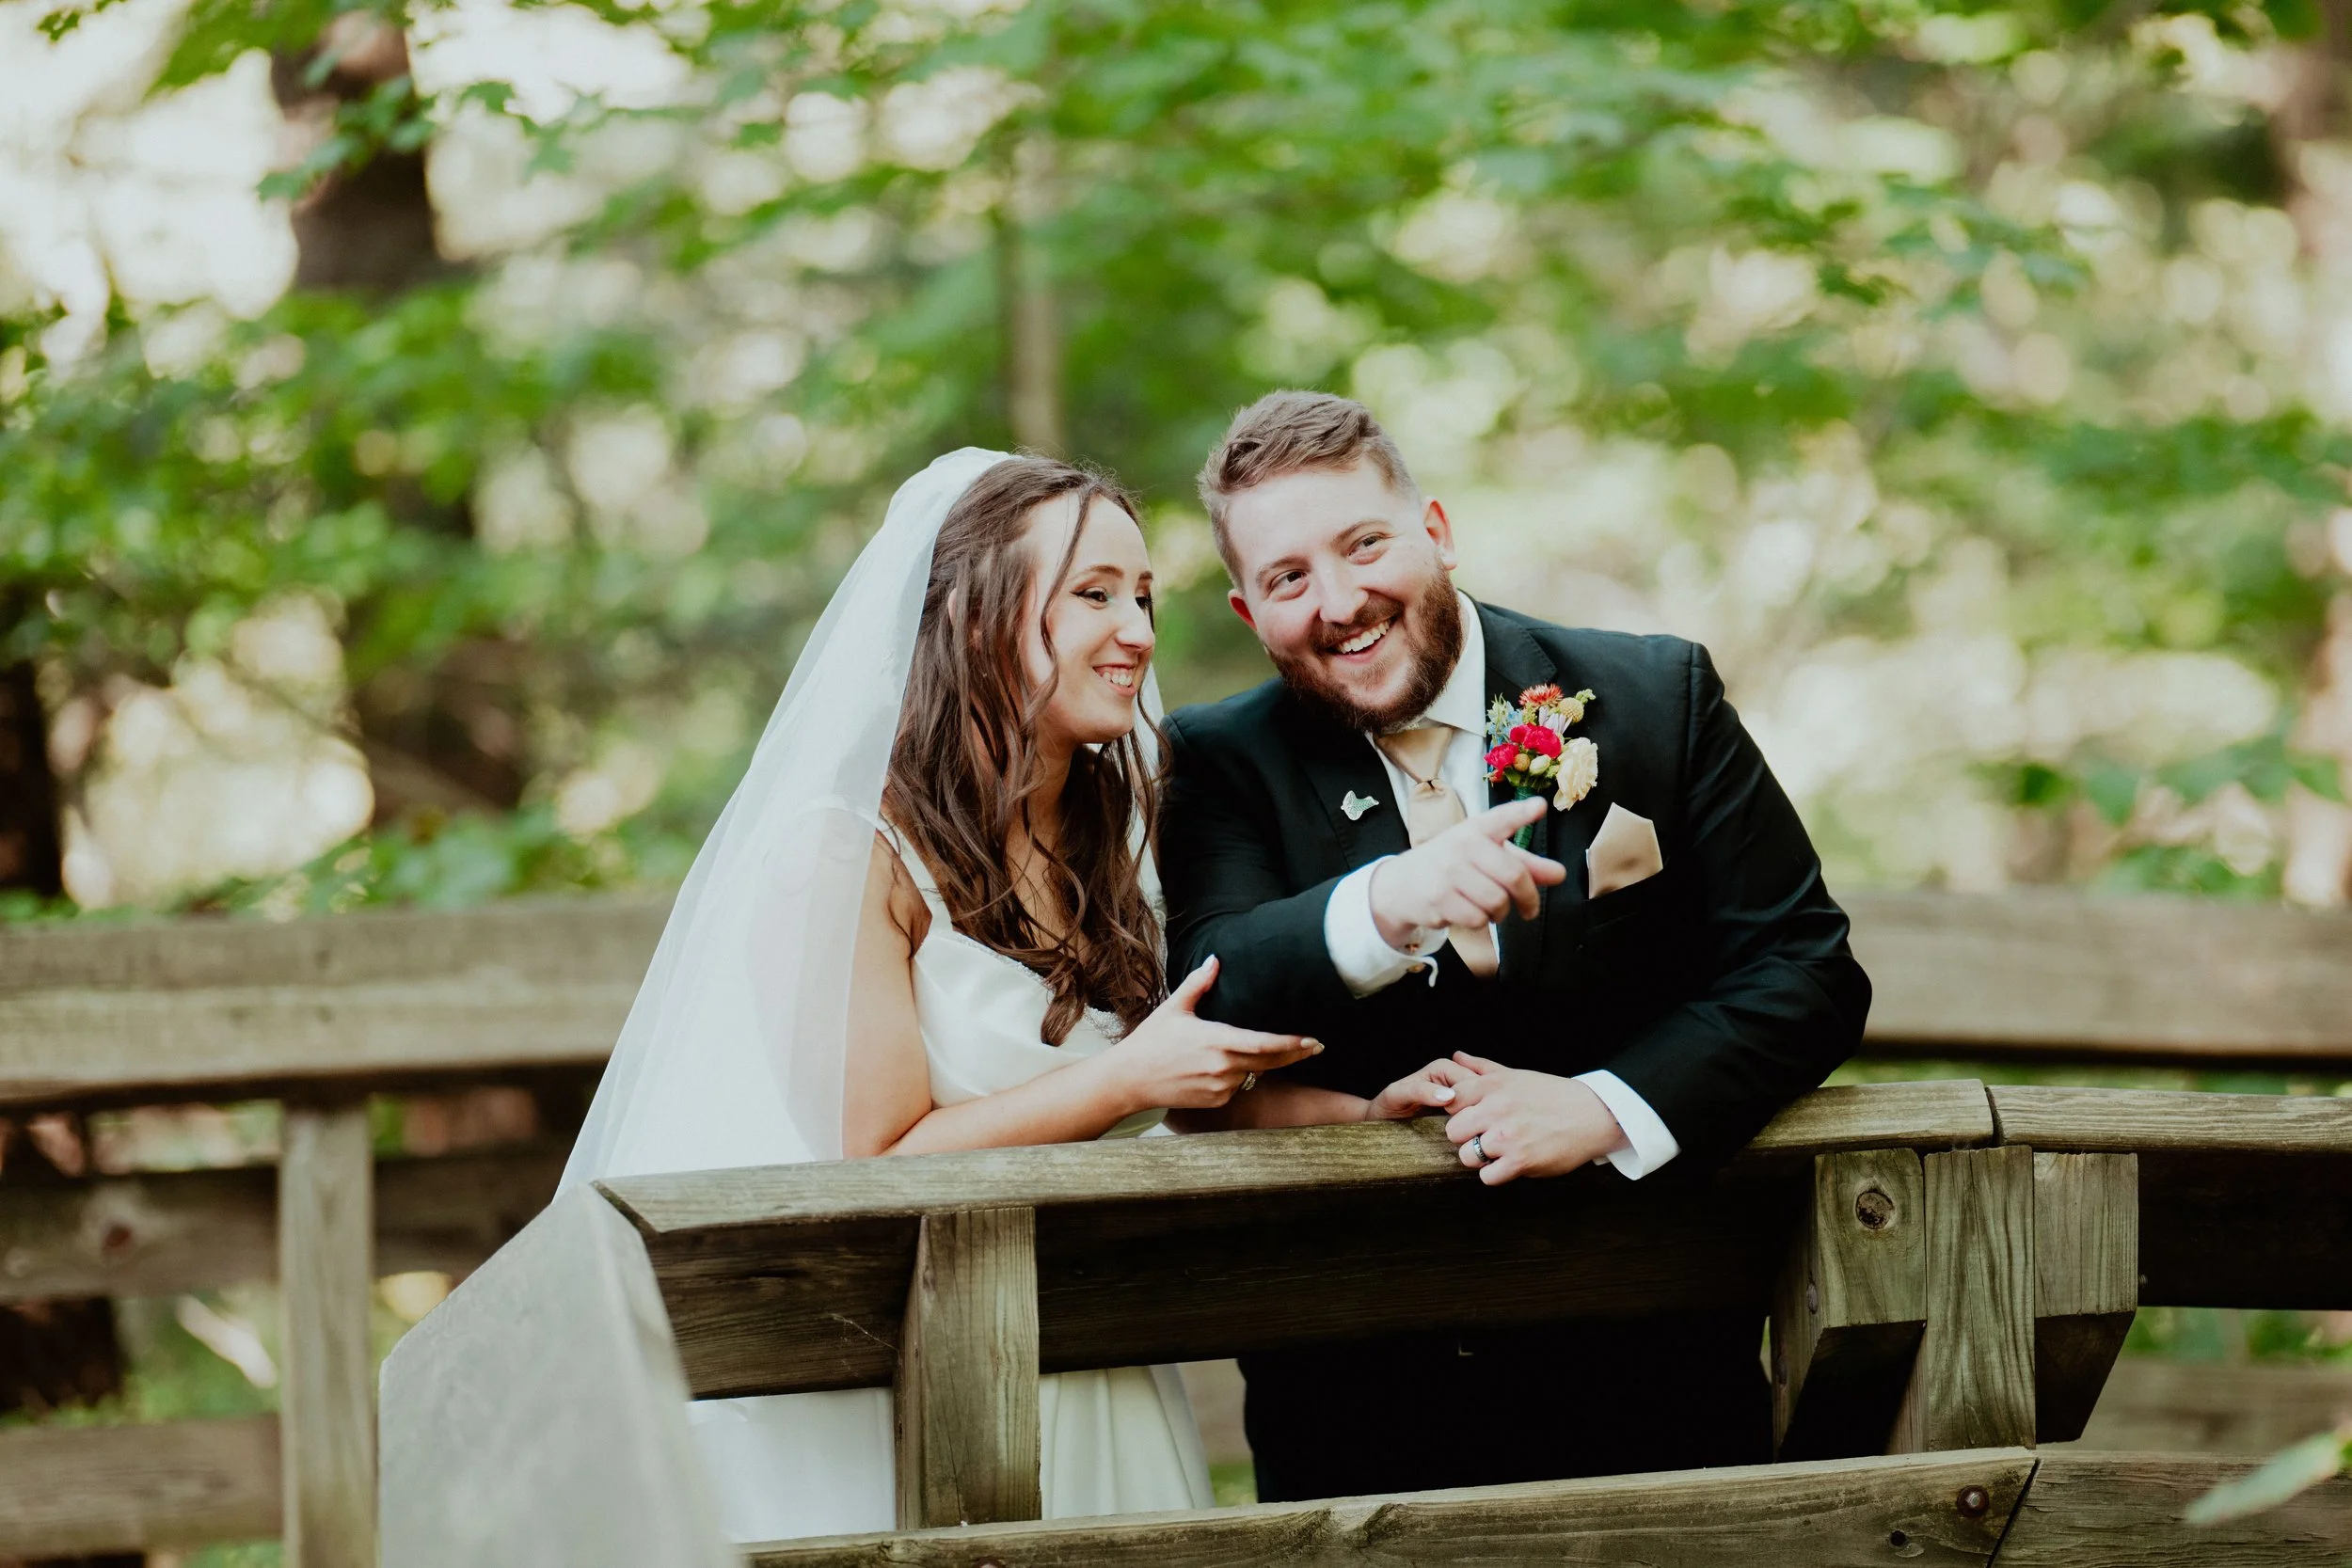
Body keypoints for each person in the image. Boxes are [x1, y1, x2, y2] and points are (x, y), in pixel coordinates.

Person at [558, 451, 1326, 1542]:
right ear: (974, 618)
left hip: (1094, 1346)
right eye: (1094, 593)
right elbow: (875, 1158)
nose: (1139, 632)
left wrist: (1356, 1112)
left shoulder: (1124, 832)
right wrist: (1123, 1078)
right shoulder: (841, 855)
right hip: (910, 1382)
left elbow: (1192, 1085)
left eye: (1144, 595)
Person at [1159, 390, 1873, 1501]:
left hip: (1653, 1363)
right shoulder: (1214, 760)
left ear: (1435, 530)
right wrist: (1386, 901)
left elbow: (1805, 970)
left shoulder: (1653, 696)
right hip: (1357, 1395)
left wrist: (1606, 1105)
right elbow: (1208, 998)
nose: (1339, 601)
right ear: (1250, 612)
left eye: (1364, 543)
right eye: (1289, 577)